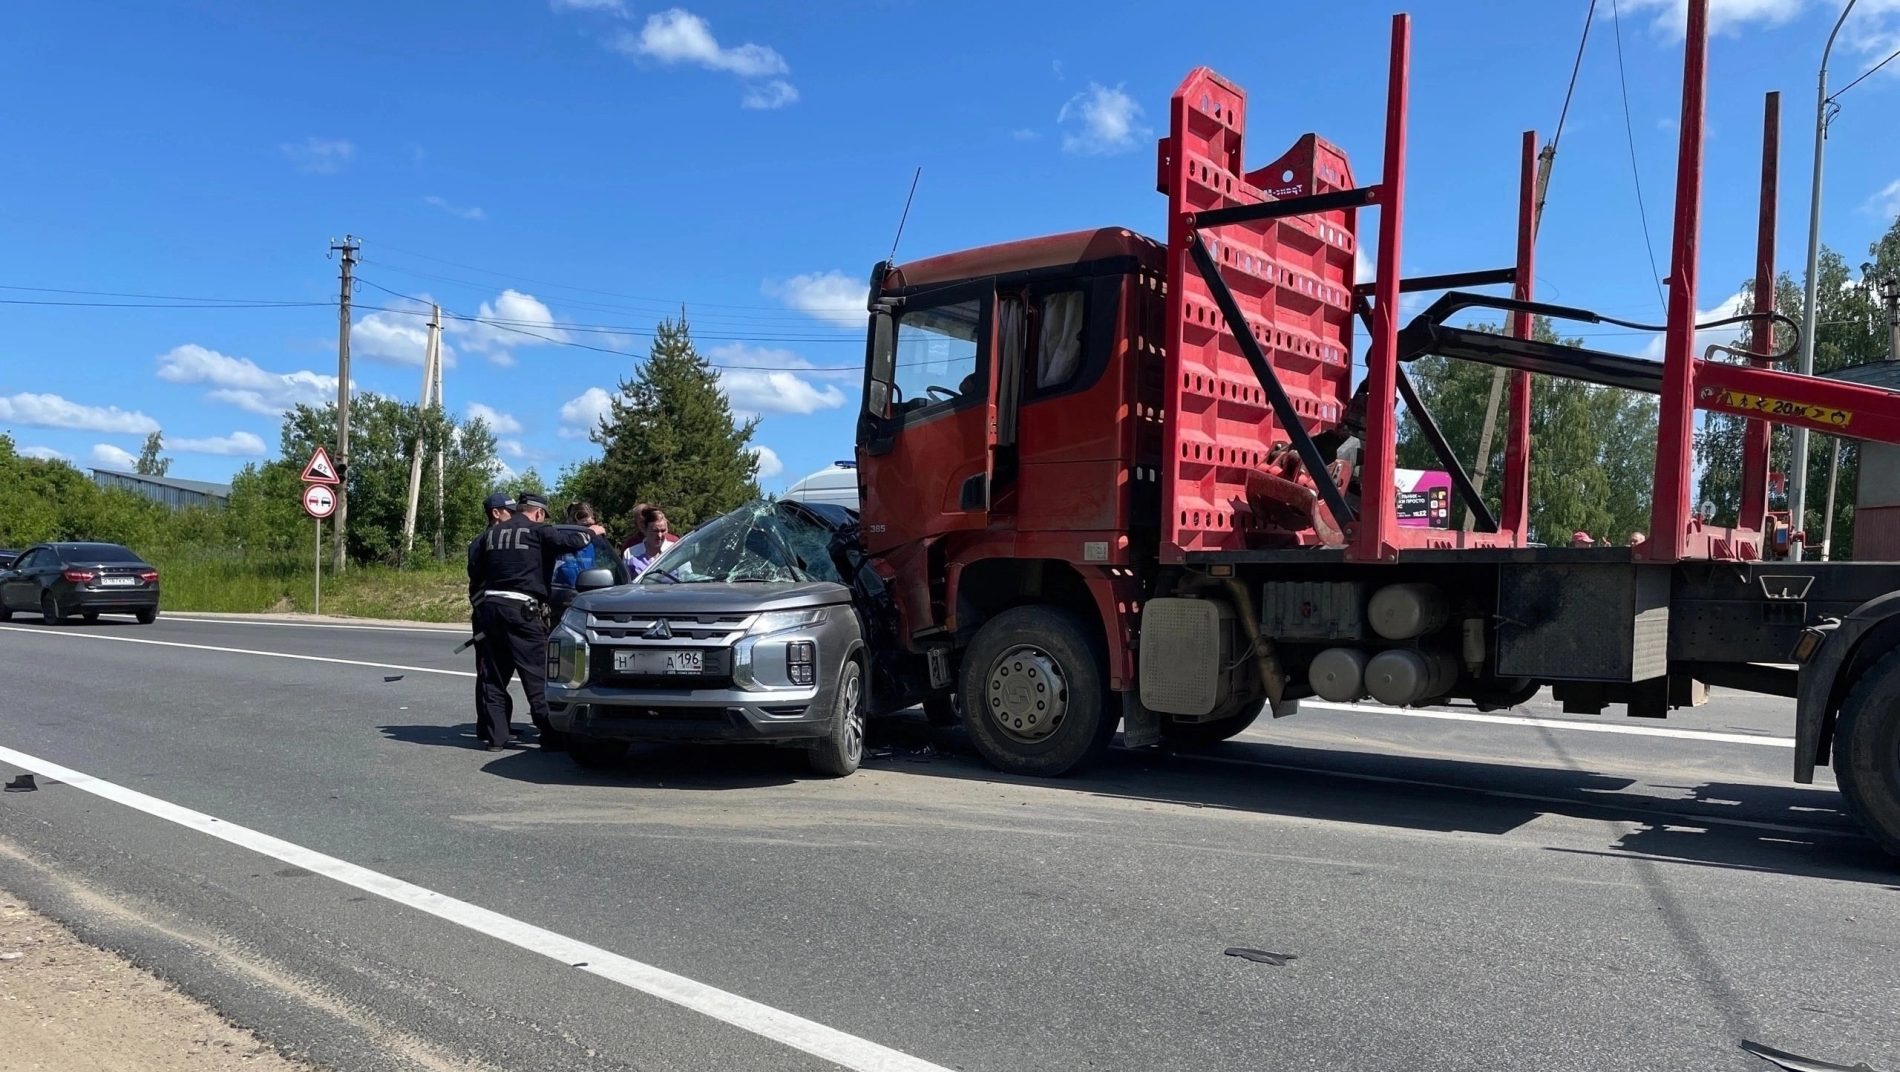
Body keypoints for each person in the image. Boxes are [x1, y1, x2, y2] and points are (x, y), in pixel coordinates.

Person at [466, 490, 590, 752]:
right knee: (536, 674)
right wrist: (592, 532)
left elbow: (476, 574)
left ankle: (496, 738)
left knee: (494, 678)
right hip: (522, 610)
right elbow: (574, 541)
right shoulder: (538, 531)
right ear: (539, 513)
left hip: (490, 609)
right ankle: (550, 735)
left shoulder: (490, 535)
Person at [551, 500, 628, 614]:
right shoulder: (562, 539)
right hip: (564, 598)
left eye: (591, 526)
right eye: (585, 526)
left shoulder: (595, 542)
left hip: (592, 596)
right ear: (572, 522)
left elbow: (607, 566)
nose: (589, 530)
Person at [623, 503, 679, 578]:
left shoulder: (676, 549)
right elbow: (625, 583)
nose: (659, 535)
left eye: (663, 531)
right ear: (645, 529)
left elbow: (687, 576)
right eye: (655, 531)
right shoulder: (630, 553)